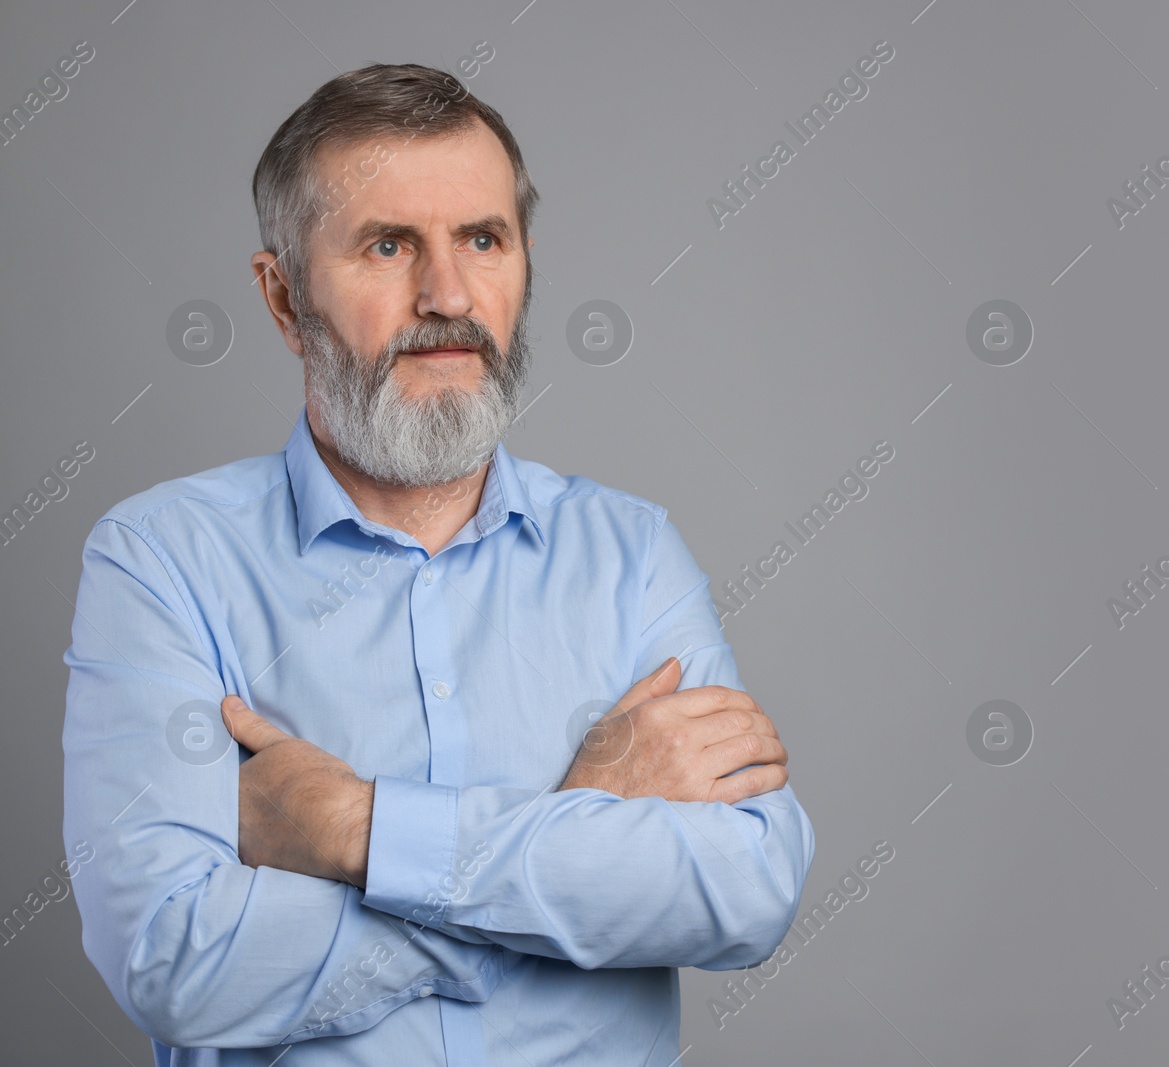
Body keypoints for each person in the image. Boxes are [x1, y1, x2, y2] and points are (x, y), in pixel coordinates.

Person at [61, 62, 812, 1065]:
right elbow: (171, 959)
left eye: (482, 240)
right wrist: (565, 848)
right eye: (387, 244)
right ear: (283, 298)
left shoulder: (630, 553)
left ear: (523, 265)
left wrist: (354, 826)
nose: (448, 293)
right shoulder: (163, 559)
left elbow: (747, 889)